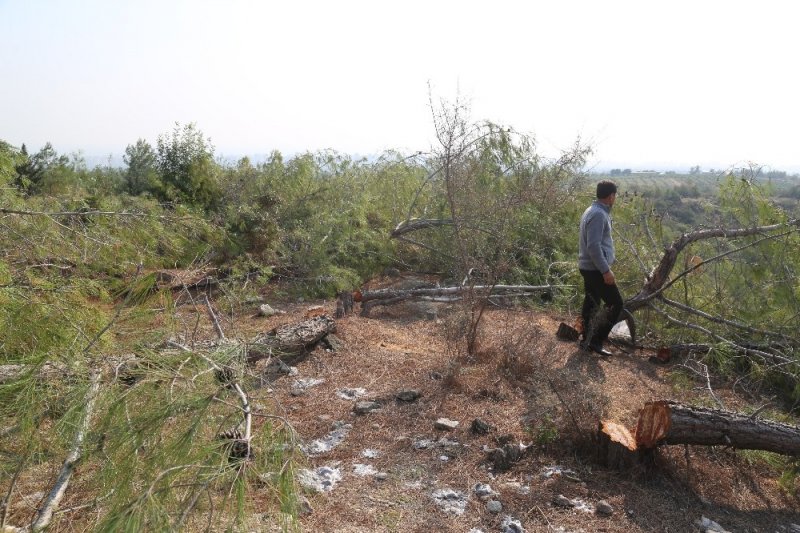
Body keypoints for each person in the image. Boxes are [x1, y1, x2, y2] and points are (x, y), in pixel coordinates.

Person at [578, 180, 623, 357]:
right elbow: (593, 246)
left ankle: (587, 339)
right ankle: (595, 341)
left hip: (589, 267)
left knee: (592, 302)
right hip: (596, 269)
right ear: (611, 196)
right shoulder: (598, 214)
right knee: (616, 303)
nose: (615, 199)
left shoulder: (592, 210)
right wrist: (605, 270)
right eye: (615, 196)